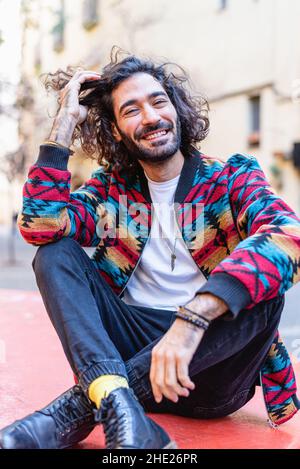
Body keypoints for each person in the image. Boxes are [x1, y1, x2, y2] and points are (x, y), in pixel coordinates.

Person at [1, 48, 299, 449]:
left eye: (158, 102)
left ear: (176, 110)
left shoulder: (230, 177)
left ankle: (76, 411)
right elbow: (40, 225)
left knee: (262, 291)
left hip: (212, 368)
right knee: (54, 254)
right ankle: (117, 401)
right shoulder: (111, 191)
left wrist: (192, 318)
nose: (151, 117)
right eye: (131, 110)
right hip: (131, 349)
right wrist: (64, 125)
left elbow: (287, 234)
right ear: (117, 130)